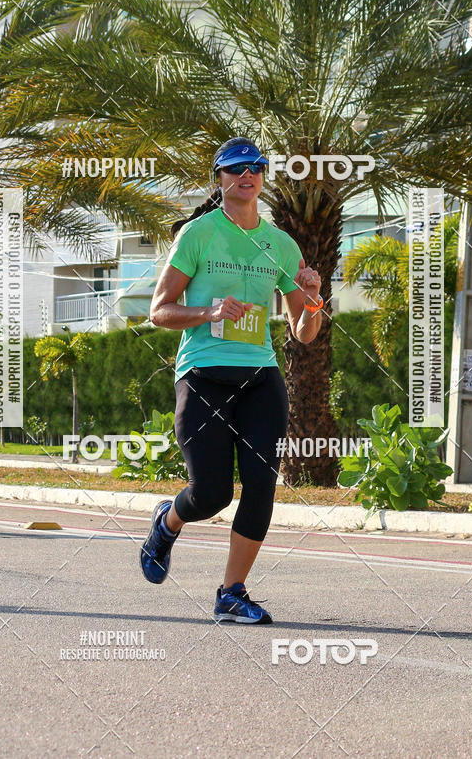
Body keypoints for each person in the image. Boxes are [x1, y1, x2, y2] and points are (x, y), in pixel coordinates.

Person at [141, 137, 322, 624]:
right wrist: (210, 310)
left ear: (263, 177)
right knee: (212, 493)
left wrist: (313, 298)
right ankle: (168, 520)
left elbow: (303, 334)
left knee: (261, 483)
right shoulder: (198, 235)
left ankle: (231, 592)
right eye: (236, 167)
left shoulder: (281, 244)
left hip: (261, 377)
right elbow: (158, 311)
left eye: (256, 167)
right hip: (203, 375)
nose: (247, 174)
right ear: (219, 178)